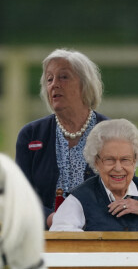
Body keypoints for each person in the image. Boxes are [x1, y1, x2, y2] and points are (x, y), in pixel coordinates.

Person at [15, 48, 109, 229]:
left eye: (63, 77)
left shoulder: (111, 132)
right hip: (43, 234)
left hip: (98, 234)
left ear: (85, 84)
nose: (54, 85)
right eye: (49, 79)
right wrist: (52, 220)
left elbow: (123, 191)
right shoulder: (31, 135)